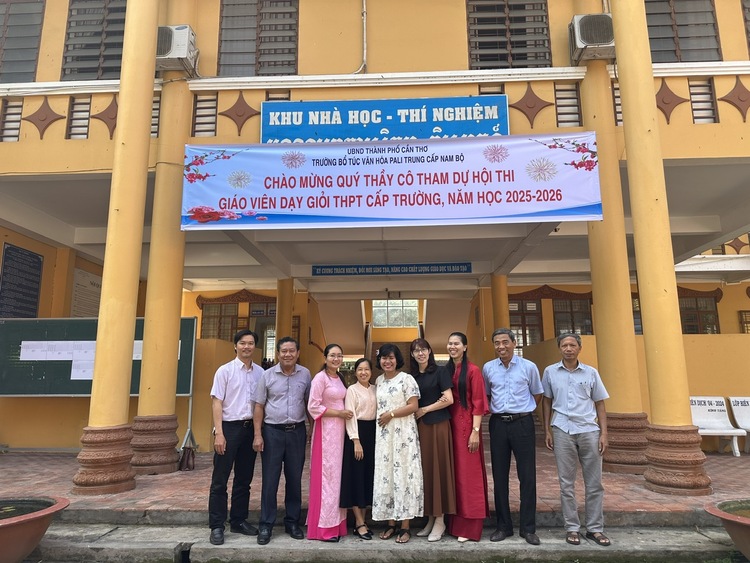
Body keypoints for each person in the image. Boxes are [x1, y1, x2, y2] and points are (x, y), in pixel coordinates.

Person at [542, 333, 610, 547]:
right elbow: (546, 401)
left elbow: (600, 403)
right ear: (559, 348)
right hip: (562, 429)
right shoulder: (550, 372)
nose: (568, 349)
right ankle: (572, 527)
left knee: (594, 483)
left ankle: (595, 528)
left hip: (589, 430)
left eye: (572, 345)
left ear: (579, 348)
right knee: (566, 483)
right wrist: (547, 429)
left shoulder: (591, 372)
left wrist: (604, 433)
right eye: (564, 345)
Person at [482, 328, 543, 545]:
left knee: (527, 476)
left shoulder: (529, 367)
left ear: (514, 343)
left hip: (523, 424)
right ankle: (503, 526)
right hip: (498, 424)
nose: (501, 346)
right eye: (497, 343)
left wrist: (524, 411)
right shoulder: (488, 368)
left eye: (505, 342)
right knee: (499, 476)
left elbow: (537, 393)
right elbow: (487, 394)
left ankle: (528, 528)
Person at [252, 336, 311, 545]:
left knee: (294, 479)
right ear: (278, 354)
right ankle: (266, 525)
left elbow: (309, 403)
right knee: (270, 480)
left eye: (291, 351)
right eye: (284, 351)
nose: (288, 354)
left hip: (296, 432)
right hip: (272, 433)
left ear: (298, 353)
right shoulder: (267, 376)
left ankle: (292, 522)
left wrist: (312, 429)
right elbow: (259, 406)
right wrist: (257, 434)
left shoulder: (305, 374)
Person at [208, 329, 263, 546]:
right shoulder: (225, 371)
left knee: (244, 479)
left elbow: (260, 404)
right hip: (228, 429)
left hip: (250, 429)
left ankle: (238, 520)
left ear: (255, 347)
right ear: (235, 346)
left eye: (250, 343)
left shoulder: (261, 373)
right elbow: (217, 402)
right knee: (220, 480)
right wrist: (219, 433)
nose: (246, 347)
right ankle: (217, 525)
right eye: (242, 343)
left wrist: (258, 433)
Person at [372, 343, 423, 544]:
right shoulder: (379, 380)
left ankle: (405, 526)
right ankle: (391, 523)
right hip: (385, 437)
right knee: (387, 476)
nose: (387, 361)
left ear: (397, 360)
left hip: (404, 436)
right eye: (384, 358)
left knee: (404, 476)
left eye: (391, 357)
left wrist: (391, 414)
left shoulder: (406, 379)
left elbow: (413, 405)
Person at [409, 338, 456, 543]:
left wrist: (425, 409)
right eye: (416, 351)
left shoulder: (440, 371)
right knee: (426, 472)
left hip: (438, 426)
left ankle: (440, 520)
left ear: (429, 351)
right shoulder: (412, 377)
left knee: (439, 470)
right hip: (421, 429)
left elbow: (449, 399)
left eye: (423, 349)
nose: (420, 353)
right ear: (412, 355)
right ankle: (430, 518)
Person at [445, 332, 489, 543]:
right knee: (453, 477)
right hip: (448, 428)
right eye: (450, 343)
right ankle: (452, 524)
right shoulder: (446, 370)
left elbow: (478, 402)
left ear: (465, 347)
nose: (452, 347)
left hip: (466, 429)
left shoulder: (473, 371)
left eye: (456, 343)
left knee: (468, 477)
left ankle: (469, 527)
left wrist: (475, 431)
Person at [306, 344, 352, 542]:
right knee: (327, 479)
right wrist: (339, 413)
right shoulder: (320, 378)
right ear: (325, 358)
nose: (336, 359)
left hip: (339, 433)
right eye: (332, 355)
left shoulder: (339, 378)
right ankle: (324, 528)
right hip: (325, 433)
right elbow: (313, 406)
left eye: (339, 355)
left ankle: (337, 524)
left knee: (337, 479)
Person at [339, 358, 377, 540]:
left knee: (367, 478)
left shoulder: (376, 389)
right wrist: (356, 440)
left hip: (373, 434)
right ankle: (359, 522)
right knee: (356, 478)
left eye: (366, 369)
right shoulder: (351, 390)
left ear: (371, 372)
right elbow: (350, 416)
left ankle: (363, 520)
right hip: (357, 435)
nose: (363, 372)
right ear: (355, 372)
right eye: (360, 369)